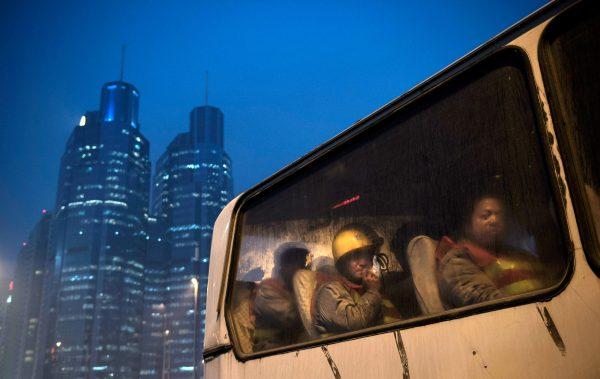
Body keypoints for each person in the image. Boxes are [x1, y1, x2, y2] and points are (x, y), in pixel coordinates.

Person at [436, 193, 545, 308]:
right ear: (468, 226)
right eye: (485, 216)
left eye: (500, 216)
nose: (494, 220)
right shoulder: (457, 261)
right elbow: (488, 304)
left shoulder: (519, 255)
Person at [314, 224, 401, 336]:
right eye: (354, 256)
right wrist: (373, 292)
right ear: (342, 263)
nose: (362, 262)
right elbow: (354, 323)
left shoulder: (368, 286)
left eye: (366, 254)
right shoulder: (329, 291)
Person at [253, 242, 309, 351]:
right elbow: (293, 317)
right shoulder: (267, 291)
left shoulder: (293, 288)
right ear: (283, 266)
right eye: (299, 264)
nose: (304, 269)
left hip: (293, 349)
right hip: (269, 353)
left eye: (304, 264)